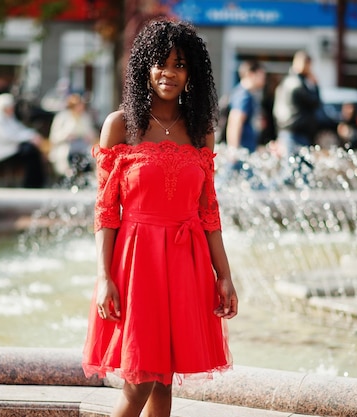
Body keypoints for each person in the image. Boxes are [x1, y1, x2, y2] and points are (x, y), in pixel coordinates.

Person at [82, 19, 238, 417]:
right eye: (160, 63)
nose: (169, 72)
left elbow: (208, 212)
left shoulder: (201, 130)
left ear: (192, 74)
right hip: (137, 264)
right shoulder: (120, 126)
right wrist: (104, 279)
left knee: (164, 383)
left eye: (180, 64)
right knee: (139, 385)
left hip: (185, 264)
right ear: (144, 69)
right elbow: (105, 212)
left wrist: (224, 275)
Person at [0, 93, 46, 188]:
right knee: (30, 151)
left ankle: (36, 182)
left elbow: (21, 130)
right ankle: (30, 183)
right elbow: (8, 137)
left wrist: (33, 136)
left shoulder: (9, 119)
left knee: (32, 151)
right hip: (5, 152)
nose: (12, 110)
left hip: (14, 149)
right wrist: (29, 137)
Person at [273, 50, 322, 156]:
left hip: (290, 131)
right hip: (295, 132)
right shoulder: (296, 82)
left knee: (294, 168)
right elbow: (314, 102)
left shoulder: (289, 81)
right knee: (294, 169)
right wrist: (316, 86)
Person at [48, 93, 98, 180]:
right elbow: (54, 137)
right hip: (66, 146)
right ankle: (69, 177)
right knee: (69, 158)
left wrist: (88, 137)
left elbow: (92, 133)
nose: (81, 107)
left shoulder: (85, 117)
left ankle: (86, 178)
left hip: (83, 146)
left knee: (88, 156)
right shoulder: (62, 117)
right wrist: (67, 136)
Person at [225, 60, 266, 154]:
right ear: (251, 74)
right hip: (241, 152)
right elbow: (235, 122)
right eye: (261, 74)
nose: (264, 78)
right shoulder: (243, 95)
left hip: (247, 149)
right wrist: (233, 150)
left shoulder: (248, 94)